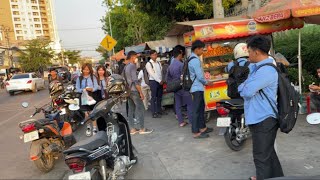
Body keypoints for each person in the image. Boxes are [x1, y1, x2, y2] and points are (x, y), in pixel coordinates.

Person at [238, 35, 284, 180]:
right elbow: (246, 86)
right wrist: (246, 85)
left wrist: (244, 86)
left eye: (249, 51)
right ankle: (278, 177)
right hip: (260, 117)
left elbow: (245, 91)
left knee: (261, 158)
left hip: (263, 119)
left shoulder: (266, 71)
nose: (248, 54)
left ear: (257, 51)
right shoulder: (259, 67)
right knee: (268, 154)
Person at [123, 51, 153, 135]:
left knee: (131, 109)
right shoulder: (132, 66)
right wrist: (141, 93)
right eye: (136, 57)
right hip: (134, 91)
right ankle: (142, 128)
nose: (137, 59)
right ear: (132, 57)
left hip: (128, 91)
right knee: (141, 109)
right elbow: (135, 81)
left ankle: (132, 129)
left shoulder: (126, 67)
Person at [188, 40, 213, 139]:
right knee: (197, 110)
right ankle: (196, 132)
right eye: (202, 49)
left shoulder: (192, 58)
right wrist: (207, 82)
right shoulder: (195, 60)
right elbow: (199, 76)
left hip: (197, 87)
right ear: (197, 49)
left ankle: (203, 127)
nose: (203, 51)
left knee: (201, 108)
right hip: (196, 88)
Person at [167, 48, 193, 127]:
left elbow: (167, 79)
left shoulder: (170, 66)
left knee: (177, 105)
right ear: (179, 55)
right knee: (189, 104)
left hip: (175, 88)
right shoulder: (181, 65)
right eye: (181, 54)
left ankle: (181, 122)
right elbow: (186, 76)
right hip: (182, 87)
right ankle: (192, 121)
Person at [76, 63, 99, 137]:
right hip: (83, 97)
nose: (86, 71)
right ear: (82, 69)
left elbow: (96, 87)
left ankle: (94, 128)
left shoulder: (93, 77)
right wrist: (83, 90)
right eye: (84, 69)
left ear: (90, 70)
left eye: (87, 69)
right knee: (86, 114)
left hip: (92, 96)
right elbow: (77, 89)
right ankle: (88, 127)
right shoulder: (79, 78)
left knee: (93, 113)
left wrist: (92, 89)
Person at [146, 50, 164, 118]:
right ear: (150, 55)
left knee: (159, 97)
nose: (155, 56)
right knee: (153, 98)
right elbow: (152, 74)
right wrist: (159, 80)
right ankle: (154, 112)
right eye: (153, 55)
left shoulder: (158, 63)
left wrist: (161, 80)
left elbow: (160, 72)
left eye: (156, 54)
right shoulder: (149, 64)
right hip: (153, 82)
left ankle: (159, 110)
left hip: (160, 82)